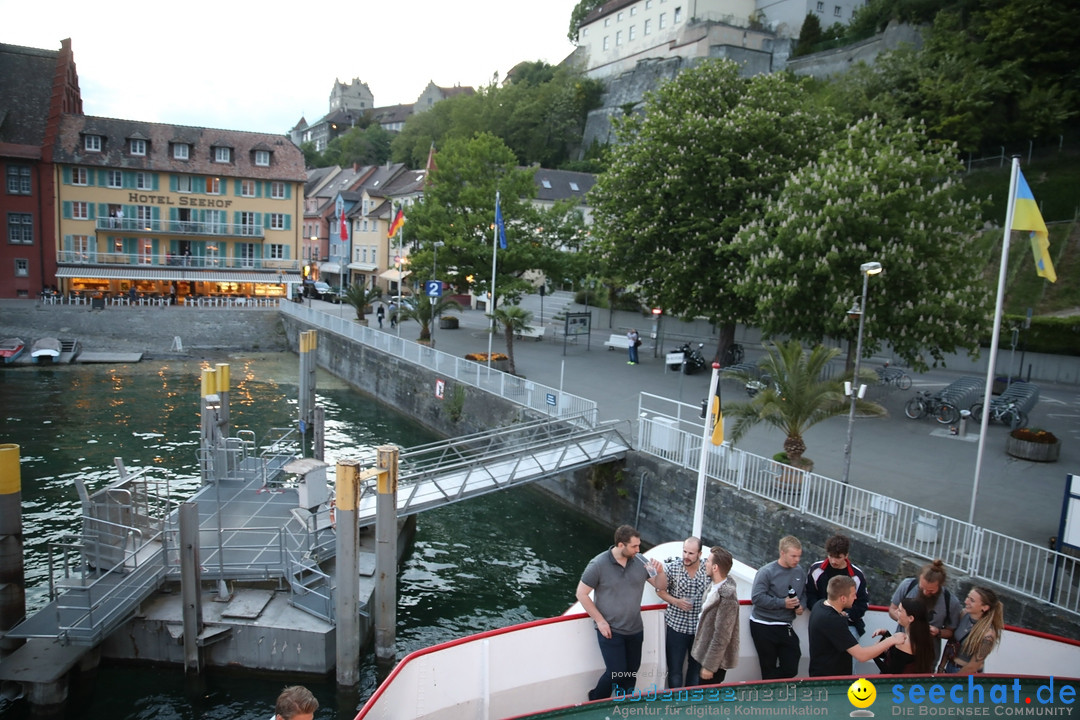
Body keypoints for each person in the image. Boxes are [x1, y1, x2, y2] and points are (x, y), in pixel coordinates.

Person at [576, 524, 666, 701]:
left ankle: (624, 704)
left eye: (638, 545)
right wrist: (600, 621)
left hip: (635, 629)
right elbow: (581, 593)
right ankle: (595, 699)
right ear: (620, 545)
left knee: (631, 673)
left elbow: (660, 586)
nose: (638, 550)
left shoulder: (641, 561)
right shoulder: (598, 565)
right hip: (611, 630)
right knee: (616, 672)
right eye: (634, 546)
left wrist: (661, 572)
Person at [809, 575, 906, 676]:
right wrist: (892, 640)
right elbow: (862, 655)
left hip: (819, 671)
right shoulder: (833, 620)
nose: (856, 597)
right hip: (830, 680)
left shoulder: (819, 605)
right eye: (853, 595)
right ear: (843, 598)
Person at [749, 535, 806, 679]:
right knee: (768, 665)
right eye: (793, 556)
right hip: (763, 623)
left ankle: (769, 686)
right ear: (782, 553)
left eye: (799, 556)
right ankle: (769, 691)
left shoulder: (799, 572)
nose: (797, 560)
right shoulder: (766, 572)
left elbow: (804, 594)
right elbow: (756, 597)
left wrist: (801, 606)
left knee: (791, 666)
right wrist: (783, 603)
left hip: (785, 624)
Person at [656, 537, 710, 688]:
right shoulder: (673, 568)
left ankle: (690, 702)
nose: (686, 556)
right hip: (676, 626)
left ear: (699, 553)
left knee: (695, 669)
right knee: (674, 670)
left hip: (699, 628)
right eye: (685, 551)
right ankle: (677, 701)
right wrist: (676, 601)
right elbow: (660, 591)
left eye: (691, 553)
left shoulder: (708, 568)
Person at [889, 559, 960, 664]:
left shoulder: (951, 602)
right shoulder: (908, 585)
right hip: (899, 648)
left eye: (931, 590)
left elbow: (951, 632)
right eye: (921, 588)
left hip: (927, 656)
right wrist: (905, 620)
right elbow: (892, 609)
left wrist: (938, 632)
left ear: (940, 585)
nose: (925, 592)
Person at [691, 545, 740, 684]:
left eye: (707, 561)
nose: (704, 563)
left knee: (706, 701)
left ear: (715, 568)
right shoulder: (714, 586)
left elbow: (722, 636)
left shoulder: (727, 598)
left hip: (713, 664)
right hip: (703, 654)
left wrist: (709, 667)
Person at [806, 534, 869, 638]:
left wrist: (847, 614)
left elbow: (862, 603)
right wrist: (821, 611)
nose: (833, 561)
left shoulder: (857, 576)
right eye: (830, 556)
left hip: (848, 625)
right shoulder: (816, 570)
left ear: (846, 555)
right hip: (822, 622)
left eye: (838, 557)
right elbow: (810, 595)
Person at [939, 586, 1004, 674]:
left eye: (972, 600)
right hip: (950, 666)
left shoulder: (988, 635)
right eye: (968, 597)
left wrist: (952, 680)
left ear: (984, 607)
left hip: (966, 674)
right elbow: (951, 643)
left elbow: (973, 667)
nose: (966, 601)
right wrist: (941, 667)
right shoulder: (964, 614)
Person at [872, 599, 934, 674]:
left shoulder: (904, 643)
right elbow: (899, 658)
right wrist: (886, 635)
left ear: (911, 618)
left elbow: (891, 673)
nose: (895, 612)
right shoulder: (924, 639)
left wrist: (874, 653)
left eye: (900, 610)